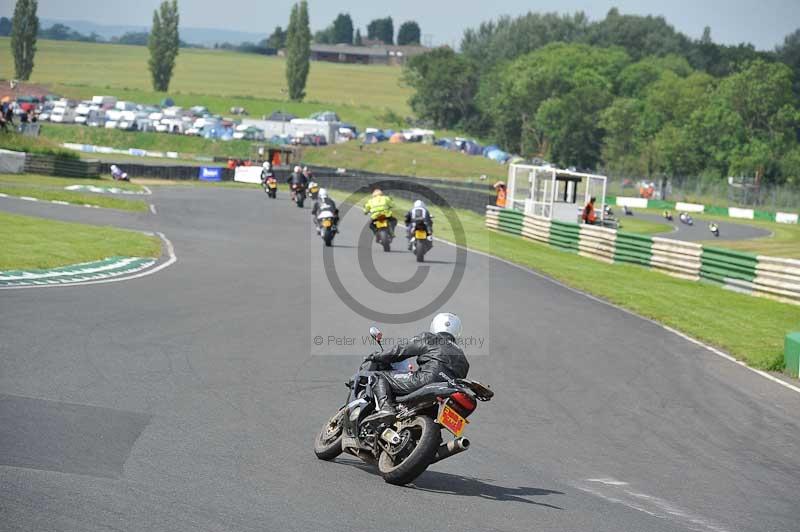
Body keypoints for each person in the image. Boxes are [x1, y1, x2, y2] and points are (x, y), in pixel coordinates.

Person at [364, 313, 470, 421]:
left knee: (378, 376)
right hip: (446, 393)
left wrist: (377, 356)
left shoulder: (430, 338)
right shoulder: (463, 358)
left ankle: (385, 408)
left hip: (426, 380)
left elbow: (401, 350)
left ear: (435, 325)